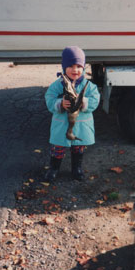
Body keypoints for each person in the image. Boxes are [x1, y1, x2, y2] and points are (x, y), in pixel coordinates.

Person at [45, 46, 100, 181]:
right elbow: (49, 98)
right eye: (71, 66)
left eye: (78, 66)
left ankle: (76, 168)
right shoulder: (58, 85)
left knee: (78, 147)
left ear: (84, 67)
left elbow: (95, 99)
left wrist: (84, 102)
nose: (75, 70)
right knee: (58, 147)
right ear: (64, 67)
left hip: (81, 125)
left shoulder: (89, 86)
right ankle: (54, 168)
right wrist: (59, 104)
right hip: (62, 124)